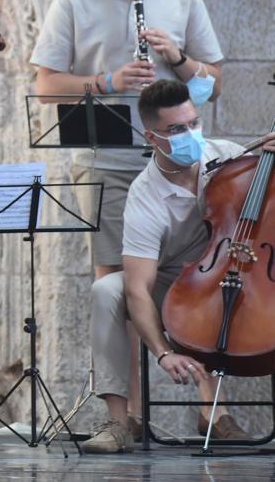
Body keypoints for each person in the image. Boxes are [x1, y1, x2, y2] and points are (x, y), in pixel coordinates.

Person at [30, 0, 223, 420]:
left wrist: (178, 59)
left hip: (181, 164)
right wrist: (108, 80)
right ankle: (126, 417)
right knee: (114, 286)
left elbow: (215, 84)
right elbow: (46, 86)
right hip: (111, 159)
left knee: (205, 277)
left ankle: (209, 410)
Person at [81, 80, 272, 453]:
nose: (191, 135)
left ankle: (216, 415)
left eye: (194, 124)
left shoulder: (231, 158)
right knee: (106, 290)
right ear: (152, 138)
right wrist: (163, 352)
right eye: (177, 130)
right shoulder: (144, 194)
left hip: (235, 269)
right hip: (172, 278)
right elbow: (138, 287)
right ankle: (118, 423)